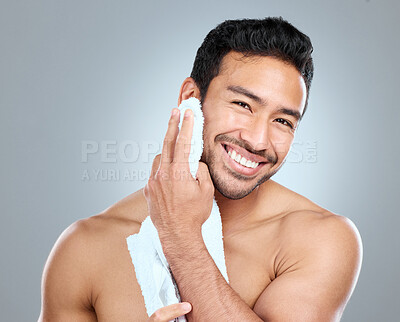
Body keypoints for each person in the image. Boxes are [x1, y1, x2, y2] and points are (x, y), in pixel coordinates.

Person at [39, 17, 362, 321]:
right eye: (242, 105)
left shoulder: (318, 238)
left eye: (283, 121)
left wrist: (180, 237)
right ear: (192, 97)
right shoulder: (87, 245)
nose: (259, 140)